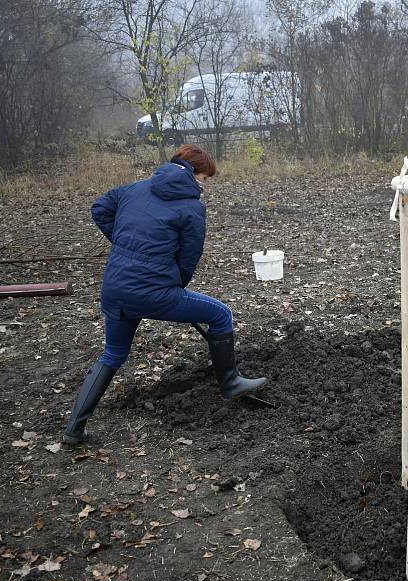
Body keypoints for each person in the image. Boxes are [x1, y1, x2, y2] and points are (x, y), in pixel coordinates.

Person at [63, 144, 266, 444]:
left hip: (115, 289)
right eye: (205, 178)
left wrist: (125, 247)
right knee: (220, 314)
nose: (205, 185)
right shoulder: (192, 207)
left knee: (113, 354)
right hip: (153, 292)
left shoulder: (134, 189)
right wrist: (173, 282)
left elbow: (99, 209)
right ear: (193, 172)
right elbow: (188, 259)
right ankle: (231, 382)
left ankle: (73, 431)